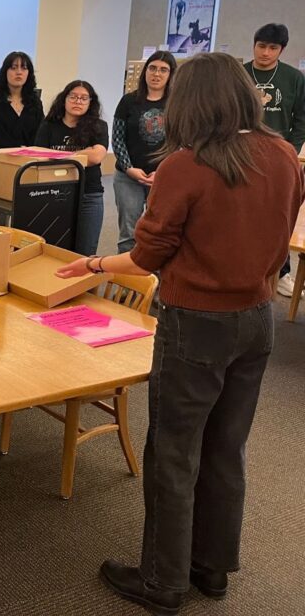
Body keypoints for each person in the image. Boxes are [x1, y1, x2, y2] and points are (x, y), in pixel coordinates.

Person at [56, 53, 303, 615]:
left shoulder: (187, 166)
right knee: (225, 446)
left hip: (195, 324)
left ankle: (163, 580)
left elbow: (146, 257)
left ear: (191, 103)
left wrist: (93, 267)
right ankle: (211, 569)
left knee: (173, 451)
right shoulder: (286, 155)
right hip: (257, 320)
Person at [243, 23, 305, 296]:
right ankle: (242, 265)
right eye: (261, 46)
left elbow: (301, 118)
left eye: (272, 48)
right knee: (242, 210)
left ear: (281, 50)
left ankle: (283, 271)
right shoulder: (240, 74)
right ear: (254, 45)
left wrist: (291, 150)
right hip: (241, 153)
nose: (265, 53)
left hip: (278, 155)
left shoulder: (294, 78)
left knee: (278, 213)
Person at [34, 80, 109, 257]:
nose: (78, 101)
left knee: (85, 254)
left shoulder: (99, 126)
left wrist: (59, 157)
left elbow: (97, 156)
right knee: (54, 251)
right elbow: (40, 159)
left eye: (84, 98)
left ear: (91, 102)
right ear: (64, 99)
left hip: (89, 195)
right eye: (73, 97)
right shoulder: (49, 126)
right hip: (54, 194)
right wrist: (83, 155)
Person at [112, 51, 175, 253]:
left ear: (171, 75)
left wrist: (164, 172)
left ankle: (153, 281)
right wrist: (129, 168)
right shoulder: (129, 101)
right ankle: (128, 281)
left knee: (159, 232)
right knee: (129, 233)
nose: (157, 74)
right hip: (128, 177)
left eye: (163, 70)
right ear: (145, 71)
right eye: (153, 68)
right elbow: (117, 138)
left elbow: (180, 143)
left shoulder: (177, 103)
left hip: (164, 178)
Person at [0, 51, 44, 149]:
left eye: (24, 68)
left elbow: (40, 134)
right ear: (5, 72)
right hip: (3, 159)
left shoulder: (35, 103)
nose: (19, 72)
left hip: (32, 159)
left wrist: (29, 151)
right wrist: (20, 149)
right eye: (14, 68)